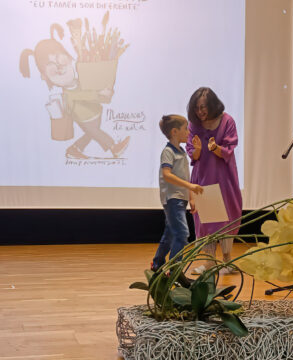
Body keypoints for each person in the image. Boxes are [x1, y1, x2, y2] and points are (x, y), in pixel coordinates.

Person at [19, 24, 129, 159]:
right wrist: (99, 93)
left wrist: (103, 91)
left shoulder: (81, 79)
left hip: (94, 113)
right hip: (85, 118)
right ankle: (114, 147)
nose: (60, 68)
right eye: (52, 67)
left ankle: (74, 150)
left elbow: (89, 88)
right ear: (45, 76)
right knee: (95, 132)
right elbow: (84, 95)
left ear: (70, 57)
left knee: (90, 134)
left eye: (61, 59)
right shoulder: (68, 94)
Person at [185, 87, 243, 275]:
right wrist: (200, 150)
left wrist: (216, 148)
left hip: (224, 177)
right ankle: (209, 262)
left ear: (212, 105)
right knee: (206, 221)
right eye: (196, 108)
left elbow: (229, 148)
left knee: (226, 217)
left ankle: (227, 260)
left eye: (203, 107)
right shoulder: (193, 125)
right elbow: (192, 153)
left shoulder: (227, 121)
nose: (200, 112)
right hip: (204, 177)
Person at [151, 115, 203, 271]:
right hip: (172, 199)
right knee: (182, 234)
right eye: (185, 128)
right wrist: (190, 186)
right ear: (174, 131)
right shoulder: (168, 151)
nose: (188, 132)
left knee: (170, 234)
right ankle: (174, 270)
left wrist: (191, 197)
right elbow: (167, 174)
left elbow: (185, 175)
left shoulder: (181, 151)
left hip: (181, 198)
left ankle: (157, 264)